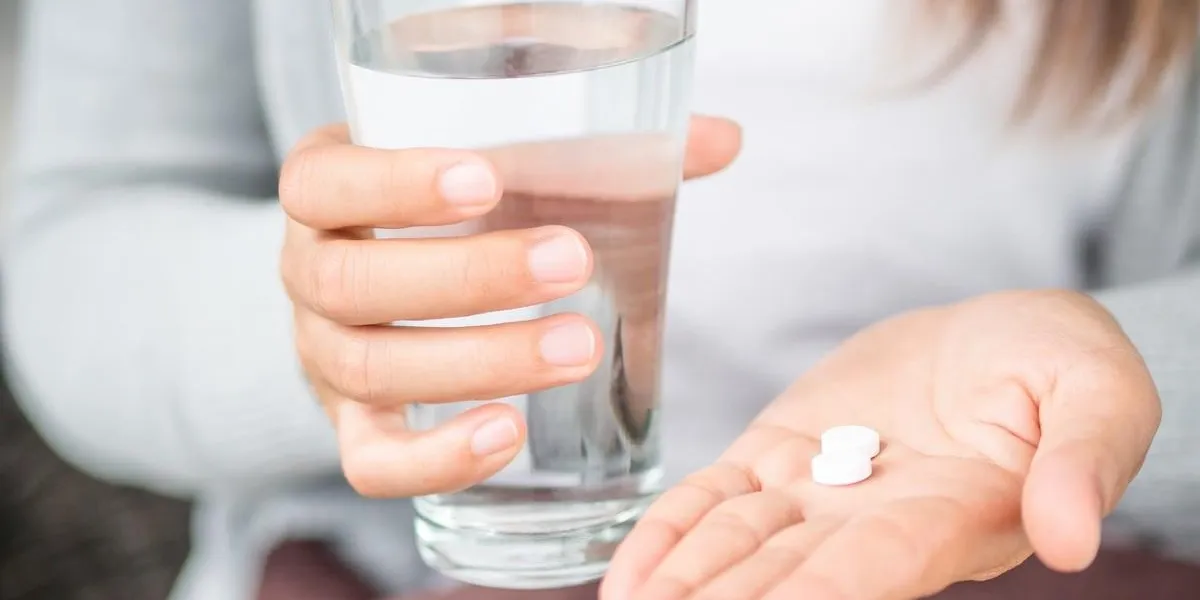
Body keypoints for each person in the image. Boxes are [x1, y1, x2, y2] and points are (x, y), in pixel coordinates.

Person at [3, 0, 1200, 599]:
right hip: (387, 571)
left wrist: (1126, 366)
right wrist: (330, 326)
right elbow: (70, 247)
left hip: (1001, 558)